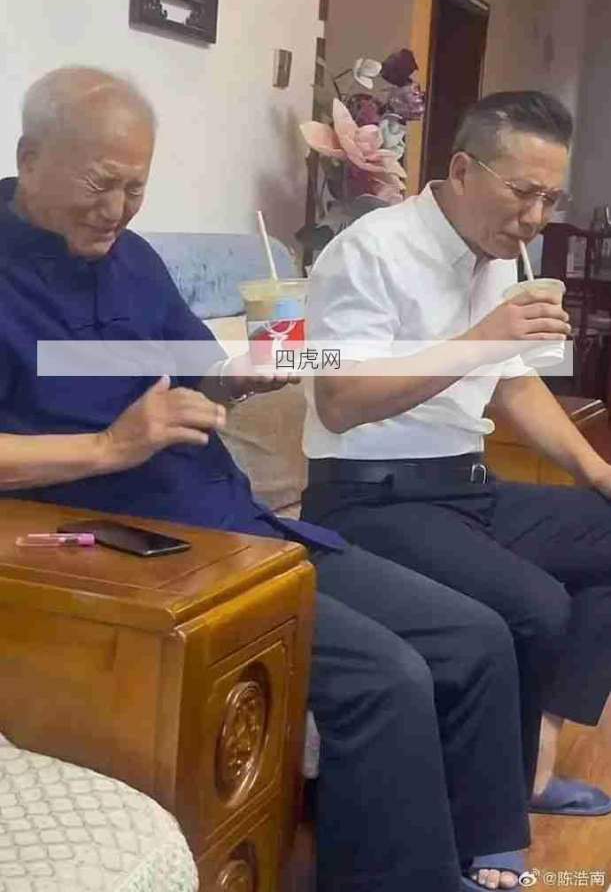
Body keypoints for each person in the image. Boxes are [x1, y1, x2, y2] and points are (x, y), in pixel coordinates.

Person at [0, 66, 535, 891]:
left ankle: (484, 857)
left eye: (137, 188)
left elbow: (197, 370)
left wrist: (241, 376)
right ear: (30, 158)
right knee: (386, 678)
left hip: (232, 519)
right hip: (118, 545)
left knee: (473, 636)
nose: (119, 209)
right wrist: (108, 446)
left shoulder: (132, 258)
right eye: (102, 185)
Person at [302, 89, 611, 820]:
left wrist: (598, 471)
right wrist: (483, 339)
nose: (535, 217)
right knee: (535, 605)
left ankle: (532, 758)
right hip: (371, 496)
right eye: (523, 193)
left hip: (465, 487)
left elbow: (511, 381)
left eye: (550, 198)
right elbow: (338, 401)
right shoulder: (373, 250)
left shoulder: (496, 255)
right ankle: (486, 821)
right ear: (464, 170)